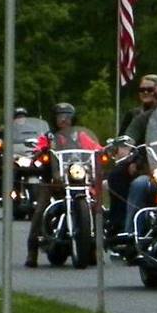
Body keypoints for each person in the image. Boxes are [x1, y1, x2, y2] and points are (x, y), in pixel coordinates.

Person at [26, 103, 104, 267]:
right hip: (52, 182)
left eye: (68, 116)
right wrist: (40, 151)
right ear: (54, 119)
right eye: (60, 116)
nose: (64, 120)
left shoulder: (79, 136)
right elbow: (38, 149)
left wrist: (103, 151)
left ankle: (96, 247)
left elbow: (95, 147)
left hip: (79, 180)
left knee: (97, 206)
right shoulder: (49, 137)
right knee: (40, 209)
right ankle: (32, 250)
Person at [108, 74, 157, 235]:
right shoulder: (135, 115)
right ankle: (121, 225)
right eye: (142, 89)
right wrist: (127, 155)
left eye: (150, 89)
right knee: (117, 175)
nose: (146, 92)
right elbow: (124, 139)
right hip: (138, 159)